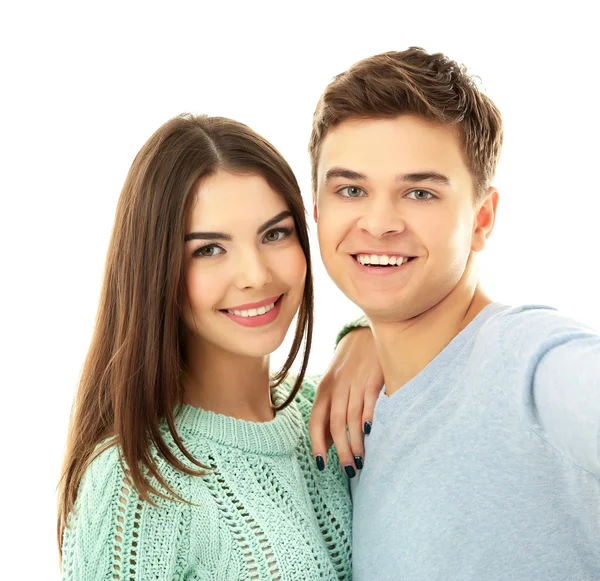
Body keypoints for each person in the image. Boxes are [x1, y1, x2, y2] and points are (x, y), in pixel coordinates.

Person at [308, 47, 600, 580]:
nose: (378, 222)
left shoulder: (535, 363)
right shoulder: (350, 418)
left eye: (419, 192)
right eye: (352, 190)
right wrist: (357, 336)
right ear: (317, 210)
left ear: (482, 219)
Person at [57, 114, 382, 580]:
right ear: (156, 270)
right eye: (209, 249)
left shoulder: (333, 409)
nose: (255, 274)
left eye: (275, 234)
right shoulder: (134, 482)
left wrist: (369, 332)